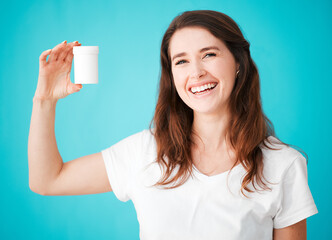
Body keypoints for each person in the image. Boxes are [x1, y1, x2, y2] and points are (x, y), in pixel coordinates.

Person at [28, 10, 318, 240]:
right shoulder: (144, 152)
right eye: (181, 62)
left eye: (209, 54)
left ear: (238, 62)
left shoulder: (283, 164)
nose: (196, 72)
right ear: (172, 76)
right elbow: (47, 180)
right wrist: (45, 99)